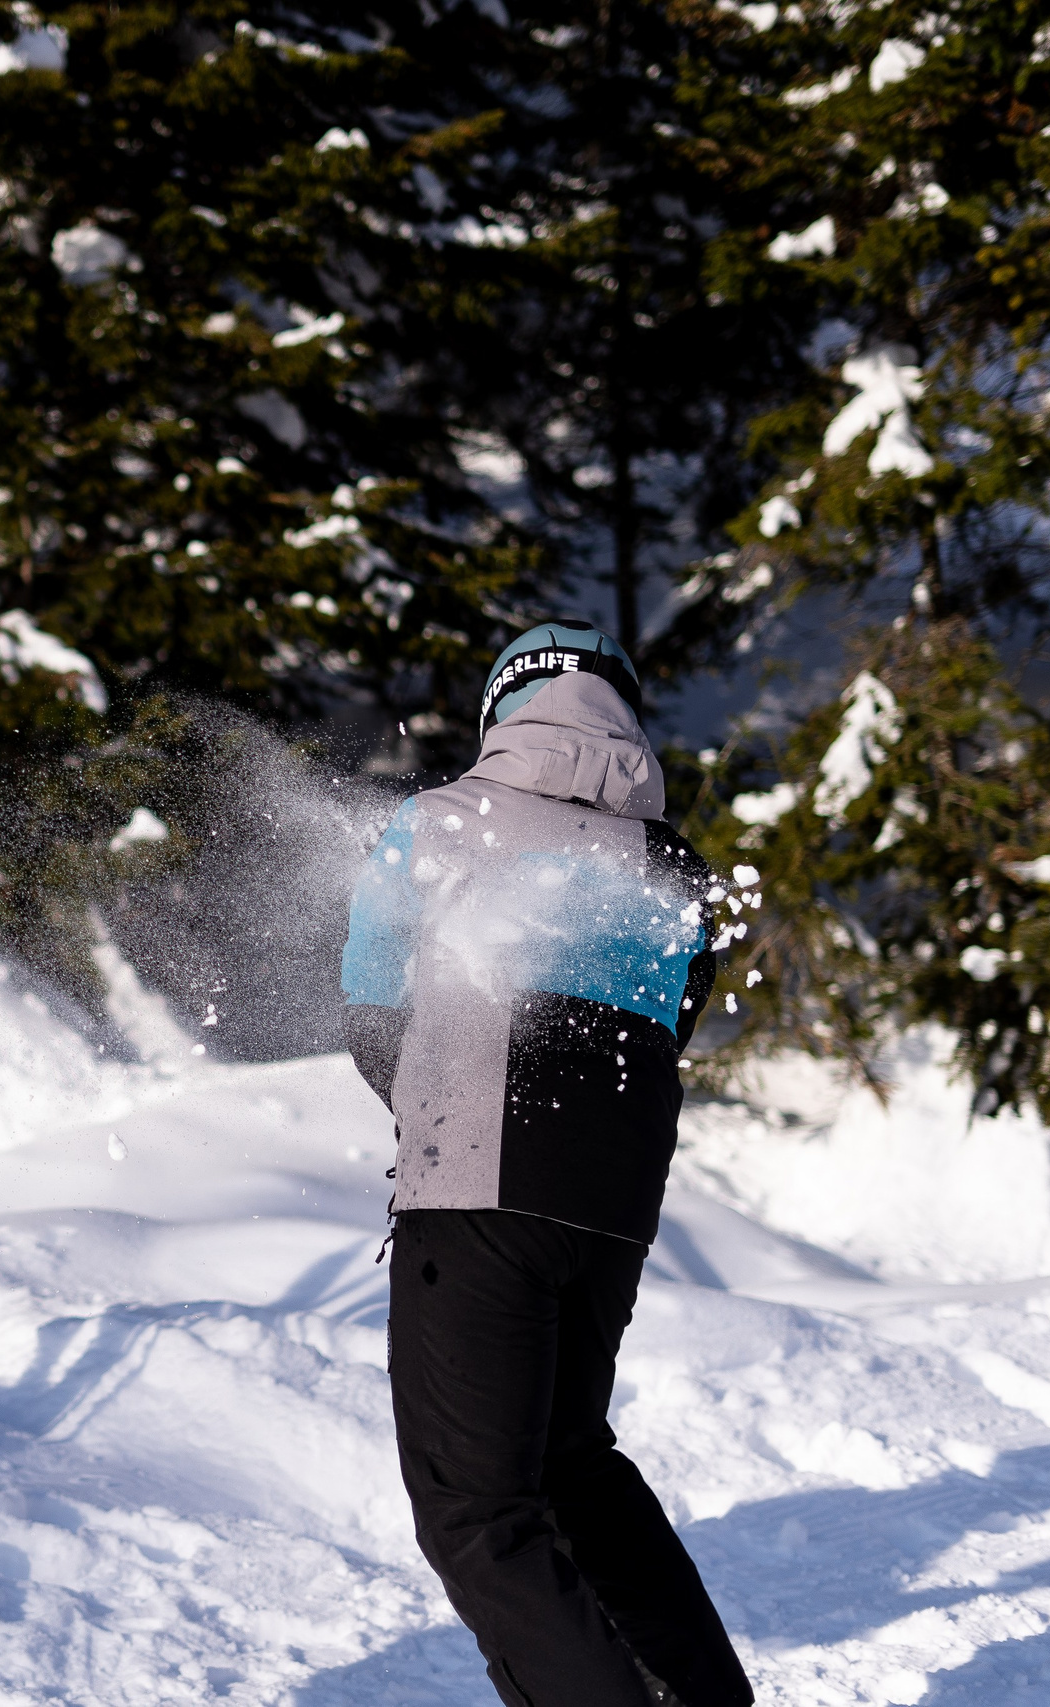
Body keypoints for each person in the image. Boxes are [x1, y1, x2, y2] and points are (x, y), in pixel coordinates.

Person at [342, 622, 754, 1707]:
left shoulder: (438, 824)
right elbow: (670, 1025)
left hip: (475, 1189)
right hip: (610, 1206)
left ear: (503, 713)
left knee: (477, 1513)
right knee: (570, 1464)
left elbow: (371, 1006)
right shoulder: (674, 867)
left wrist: (431, 1106)